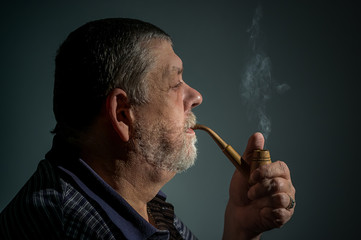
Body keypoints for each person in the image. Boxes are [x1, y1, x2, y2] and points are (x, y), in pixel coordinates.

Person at [0, 18, 295, 240]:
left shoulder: (142, 204)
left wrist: (240, 228)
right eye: (175, 83)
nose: (195, 97)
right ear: (123, 114)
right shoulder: (67, 225)